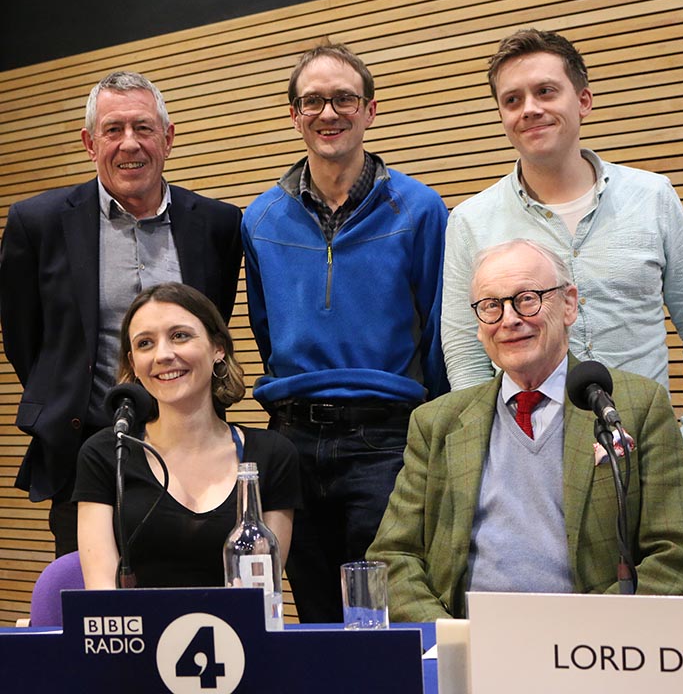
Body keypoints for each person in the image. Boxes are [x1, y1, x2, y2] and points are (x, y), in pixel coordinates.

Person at [440, 29, 683, 594]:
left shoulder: (653, 196)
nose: (530, 110)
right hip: (533, 477)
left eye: (546, 91)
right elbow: (464, 349)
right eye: (512, 100)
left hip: (651, 466)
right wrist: (491, 454)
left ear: (583, 99)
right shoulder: (471, 222)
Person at [368, 239, 683, 620]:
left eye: (527, 298)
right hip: (469, 644)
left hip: (588, 651)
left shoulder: (637, 406)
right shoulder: (436, 423)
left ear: (569, 304)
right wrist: (453, 636)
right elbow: (394, 556)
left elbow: (675, 556)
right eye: (491, 306)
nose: (509, 319)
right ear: (478, 326)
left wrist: (576, 637)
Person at [242, 43, 449, 621]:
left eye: (343, 99)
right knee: (313, 612)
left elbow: (437, 329)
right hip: (291, 438)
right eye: (312, 101)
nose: (328, 113)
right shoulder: (258, 219)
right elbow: (266, 328)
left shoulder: (421, 209)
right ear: (293, 114)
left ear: (370, 110)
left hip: (386, 441)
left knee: (384, 613)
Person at [0, 71, 243, 557]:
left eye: (144, 128)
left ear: (168, 139)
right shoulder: (38, 223)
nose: (129, 144)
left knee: (192, 594)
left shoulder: (217, 224)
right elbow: (27, 342)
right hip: (84, 451)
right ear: (90, 143)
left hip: (194, 452)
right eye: (113, 130)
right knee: (98, 612)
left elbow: (210, 327)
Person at [73, 283, 301, 588]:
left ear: (218, 348)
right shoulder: (106, 454)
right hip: (138, 634)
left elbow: (263, 594)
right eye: (145, 344)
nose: (163, 355)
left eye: (180, 336)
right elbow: (102, 593)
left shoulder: (272, 455)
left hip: (237, 634)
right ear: (133, 365)